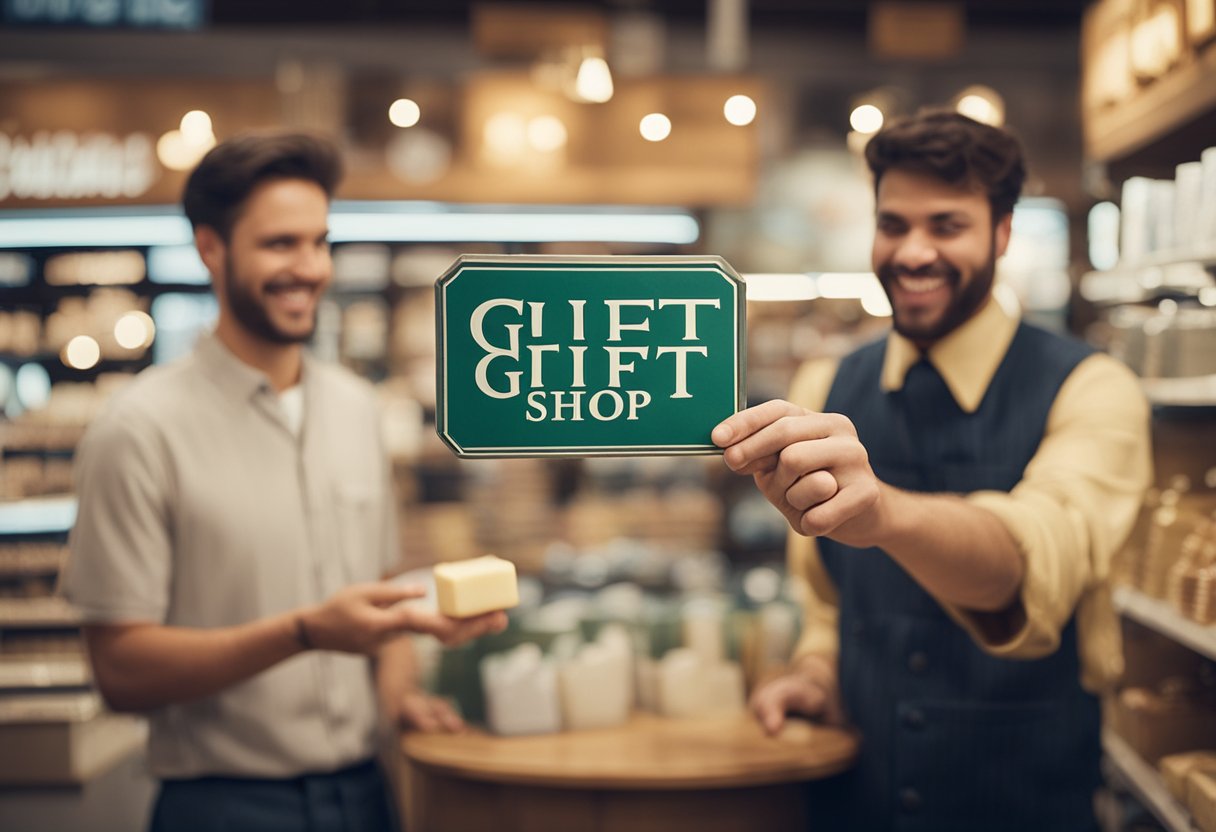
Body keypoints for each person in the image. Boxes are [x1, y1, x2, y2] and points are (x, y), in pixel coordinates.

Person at [713, 109, 1152, 831]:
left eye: (947, 225)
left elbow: (1041, 556)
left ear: (1002, 233)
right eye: (894, 225)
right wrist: (815, 674)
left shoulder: (1093, 387)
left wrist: (883, 514)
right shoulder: (829, 382)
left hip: (1023, 807)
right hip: (854, 804)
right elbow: (824, 599)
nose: (913, 252)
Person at [60, 131, 507, 832]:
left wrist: (400, 697)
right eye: (280, 245)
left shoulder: (358, 409)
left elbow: (382, 596)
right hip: (223, 805)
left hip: (367, 793)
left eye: (320, 242)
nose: (310, 268)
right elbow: (120, 670)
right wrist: (304, 632)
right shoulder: (138, 429)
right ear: (211, 247)